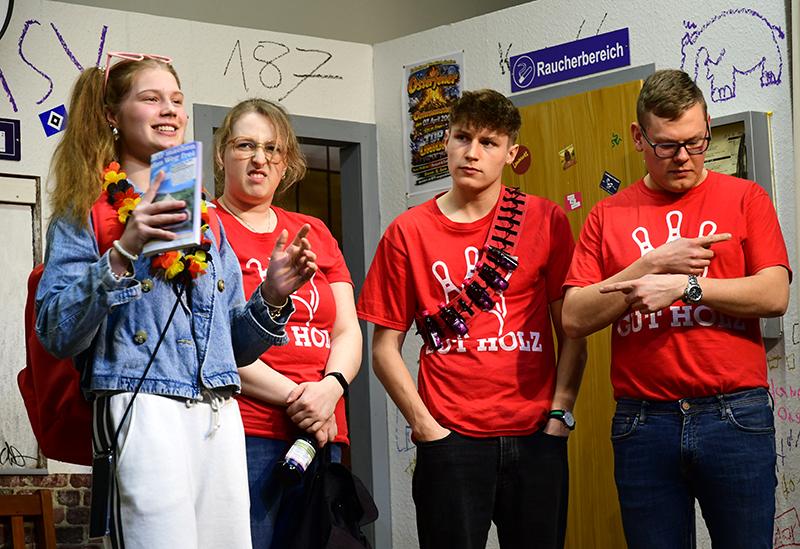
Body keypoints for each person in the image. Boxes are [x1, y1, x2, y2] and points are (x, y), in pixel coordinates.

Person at [35, 54, 317, 549]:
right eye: (151, 98)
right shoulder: (86, 211)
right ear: (112, 115)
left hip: (218, 410)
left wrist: (271, 296)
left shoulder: (208, 219)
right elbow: (56, 332)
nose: (170, 110)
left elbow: (233, 347)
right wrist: (123, 250)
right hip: (140, 405)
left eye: (177, 100)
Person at [562, 69, 791, 549]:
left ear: (707, 125)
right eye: (666, 145)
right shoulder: (607, 215)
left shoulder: (746, 197)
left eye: (695, 141)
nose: (683, 156)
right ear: (638, 137)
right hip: (644, 422)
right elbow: (574, 317)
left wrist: (687, 287)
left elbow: (774, 294)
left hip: (735, 415)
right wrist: (649, 263)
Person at [357, 89, 587, 548]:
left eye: (489, 142)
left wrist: (560, 416)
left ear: (511, 153)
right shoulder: (408, 232)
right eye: (463, 137)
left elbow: (573, 332)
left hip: (535, 435)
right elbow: (383, 348)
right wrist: (426, 427)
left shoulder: (546, 219)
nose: (472, 152)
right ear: (446, 140)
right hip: (450, 438)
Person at [211, 98, 361, 548]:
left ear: (287, 162)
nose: (260, 158)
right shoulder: (205, 227)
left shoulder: (314, 231)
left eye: (272, 149)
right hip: (247, 430)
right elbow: (211, 344)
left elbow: (347, 330)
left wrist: (331, 389)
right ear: (221, 154)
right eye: (245, 145)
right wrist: (303, 400)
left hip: (321, 432)